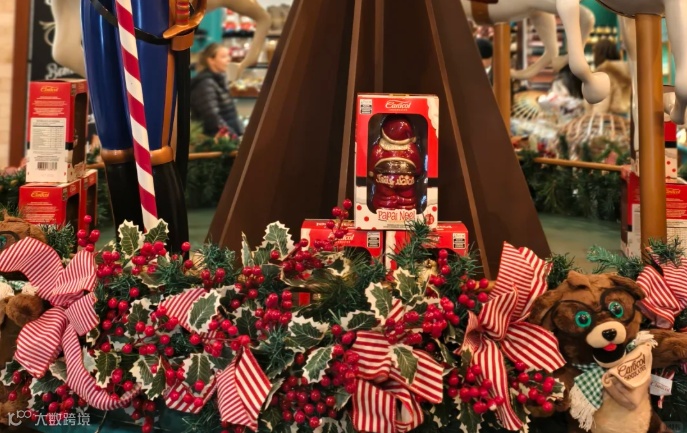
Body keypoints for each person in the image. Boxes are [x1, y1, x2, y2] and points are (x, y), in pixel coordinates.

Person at [190, 43, 245, 137]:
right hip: (216, 140)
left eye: (228, 56)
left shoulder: (218, 81)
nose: (228, 59)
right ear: (211, 60)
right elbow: (211, 117)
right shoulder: (205, 84)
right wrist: (233, 137)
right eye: (223, 57)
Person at [591, 38, 631, 117]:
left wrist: (592, 120)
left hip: (610, 120)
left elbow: (601, 105)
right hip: (627, 117)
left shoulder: (604, 73)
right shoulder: (626, 69)